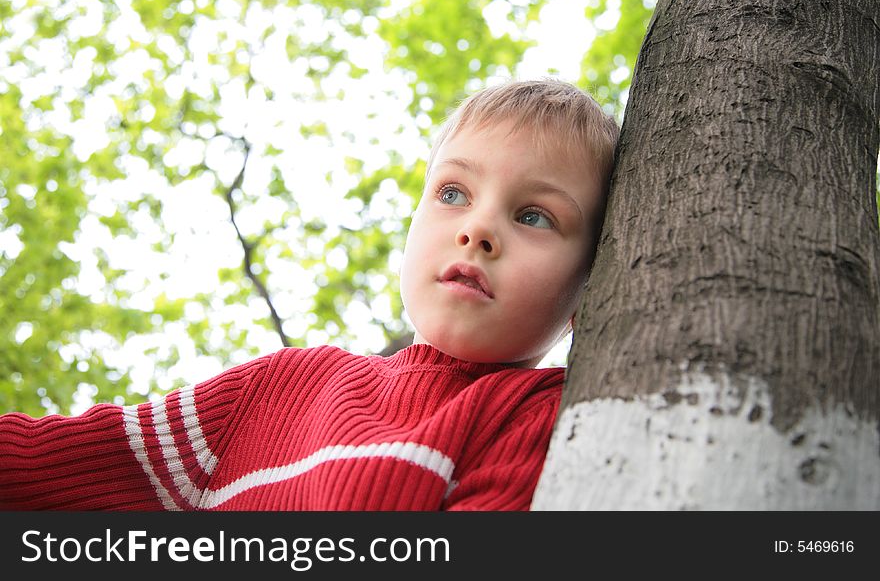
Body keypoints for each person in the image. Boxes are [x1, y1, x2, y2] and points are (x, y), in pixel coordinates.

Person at [0, 78, 618, 510]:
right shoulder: (280, 388)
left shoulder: (540, 417)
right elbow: (44, 467)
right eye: (453, 192)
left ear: (587, 287)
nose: (477, 229)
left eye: (534, 216)